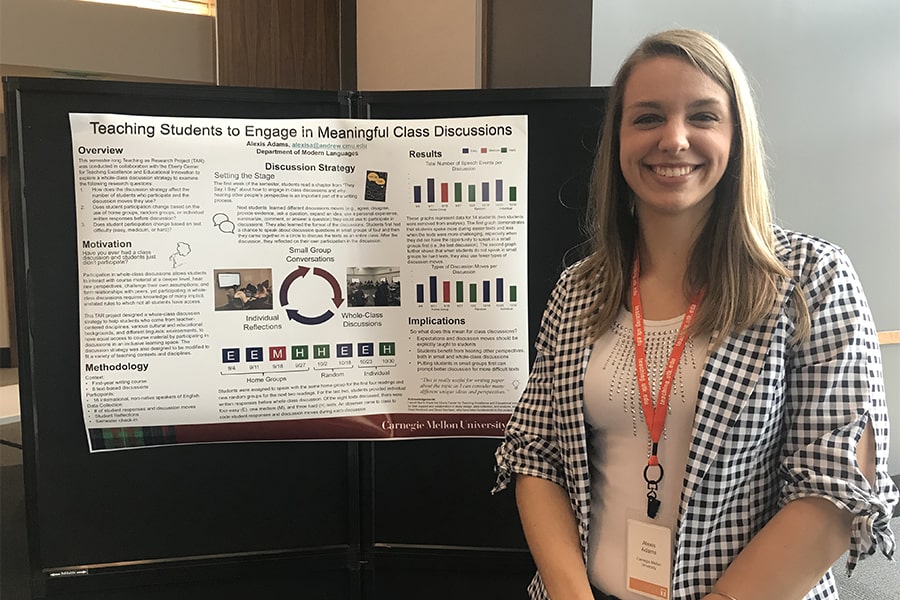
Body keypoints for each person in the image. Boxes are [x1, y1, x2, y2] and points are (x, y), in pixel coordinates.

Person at [493, 29, 898, 600]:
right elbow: (535, 453)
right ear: (617, 140)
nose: (674, 139)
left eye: (703, 116)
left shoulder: (810, 280)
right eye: (647, 117)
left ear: (736, 138)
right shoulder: (579, 289)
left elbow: (834, 488)